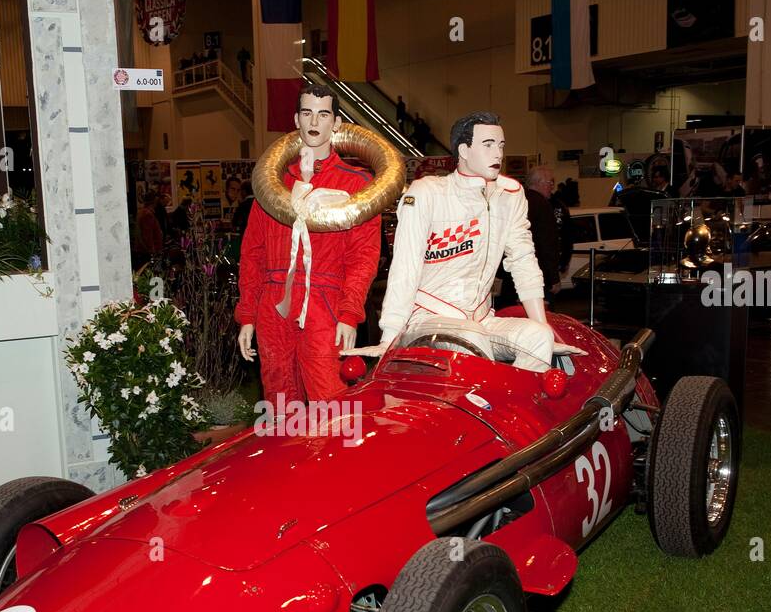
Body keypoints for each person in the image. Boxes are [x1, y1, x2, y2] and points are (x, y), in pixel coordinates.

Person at [375, 111, 585, 370]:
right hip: (429, 316)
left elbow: (523, 260)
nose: (498, 153)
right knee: (471, 340)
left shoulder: (511, 194)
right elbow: (405, 266)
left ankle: (510, 407)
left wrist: (543, 327)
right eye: (488, 145)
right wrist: (390, 333)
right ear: (463, 150)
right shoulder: (427, 192)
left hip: (481, 317)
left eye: (501, 145)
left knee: (538, 337)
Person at [236, 83, 381, 401]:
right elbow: (253, 253)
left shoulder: (356, 185)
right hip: (274, 305)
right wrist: (247, 315)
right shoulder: (272, 185)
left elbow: (364, 256)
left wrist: (348, 313)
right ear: (296, 119)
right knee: (280, 402)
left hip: (325, 304)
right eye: (307, 113)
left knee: (330, 401)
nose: (315, 122)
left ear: (337, 123)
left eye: (323, 114)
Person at [525, 166, 562, 298]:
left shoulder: (519, 200)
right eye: (550, 182)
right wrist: (554, 277)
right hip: (539, 272)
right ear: (538, 183)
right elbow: (547, 242)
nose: (552, 186)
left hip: (520, 270)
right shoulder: (543, 205)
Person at [137, 190, 164, 256]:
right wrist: (152, 252)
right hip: (150, 253)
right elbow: (147, 236)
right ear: (153, 200)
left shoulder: (144, 212)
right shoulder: (147, 214)